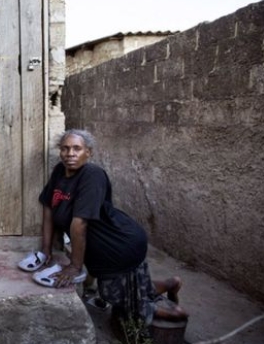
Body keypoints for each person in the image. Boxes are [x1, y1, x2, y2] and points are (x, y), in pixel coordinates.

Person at [35, 128, 188, 326]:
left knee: (114, 296)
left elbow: (79, 223)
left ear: (88, 152)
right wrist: (46, 249)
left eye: (76, 148)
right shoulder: (59, 171)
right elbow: (48, 207)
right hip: (108, 246)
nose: (70, 154)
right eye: (65, 149)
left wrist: (74, 266)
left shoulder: (92, 175)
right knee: (129, 288)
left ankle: (179, 313)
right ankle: (170, 284)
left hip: (119, 244)